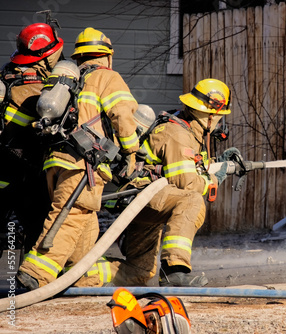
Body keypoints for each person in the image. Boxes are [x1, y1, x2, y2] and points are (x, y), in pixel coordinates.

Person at [16, 27, 140, 290]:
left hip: (55, 162)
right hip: (83, 164)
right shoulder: (108, 77)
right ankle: (34, 273)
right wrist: (131, 152)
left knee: (85, 223)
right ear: (107, 56)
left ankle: (81, 276)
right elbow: (122, 115)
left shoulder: (69, 79)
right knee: (69, 217)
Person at [108, 79, 238, 287]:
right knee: (192, 201)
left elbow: (192, 167)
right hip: (145, 196)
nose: (219, 124)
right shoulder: (178, 135)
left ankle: (82, 274)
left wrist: (220, 164)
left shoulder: (189, 130)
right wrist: (216, 177)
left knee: (139, 271)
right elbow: (187, 183)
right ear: (209, 115)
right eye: (219, 118)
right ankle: (174, 271)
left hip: (150, 200)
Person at [0, 22, 64, 254]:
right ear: (46, 56)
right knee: (39, 232)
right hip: (24, 172)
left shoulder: (7, 75)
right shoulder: (38, 92)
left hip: (6, 169)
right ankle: (28, 285)